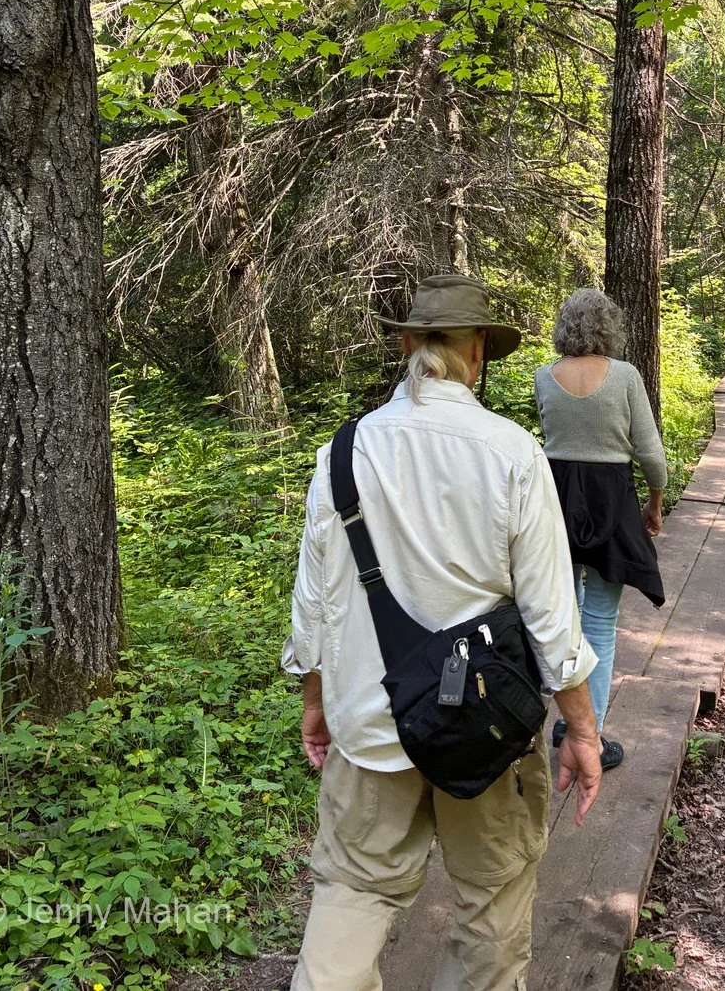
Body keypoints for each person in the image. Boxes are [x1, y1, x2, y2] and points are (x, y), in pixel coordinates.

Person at [282, 273, 602, 991]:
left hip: (368, 716)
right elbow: (551, 615)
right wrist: (580, 729)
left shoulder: (343, 452)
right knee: (490, 901)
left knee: (354, 892)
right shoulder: (510, 451)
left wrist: (316, 698)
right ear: (479, 352)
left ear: (404, 346)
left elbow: (316, 602)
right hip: (485, 731)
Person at [533, 288, 667, 771]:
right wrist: (654, 501)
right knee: (601, 626)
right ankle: (593, 732)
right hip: (612, 499)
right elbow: (649, 451)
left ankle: (566, 721)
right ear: (609, 327)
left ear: (564, 327)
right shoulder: (626, 376)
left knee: (559, 620)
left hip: (553, 502)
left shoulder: (543, 377)